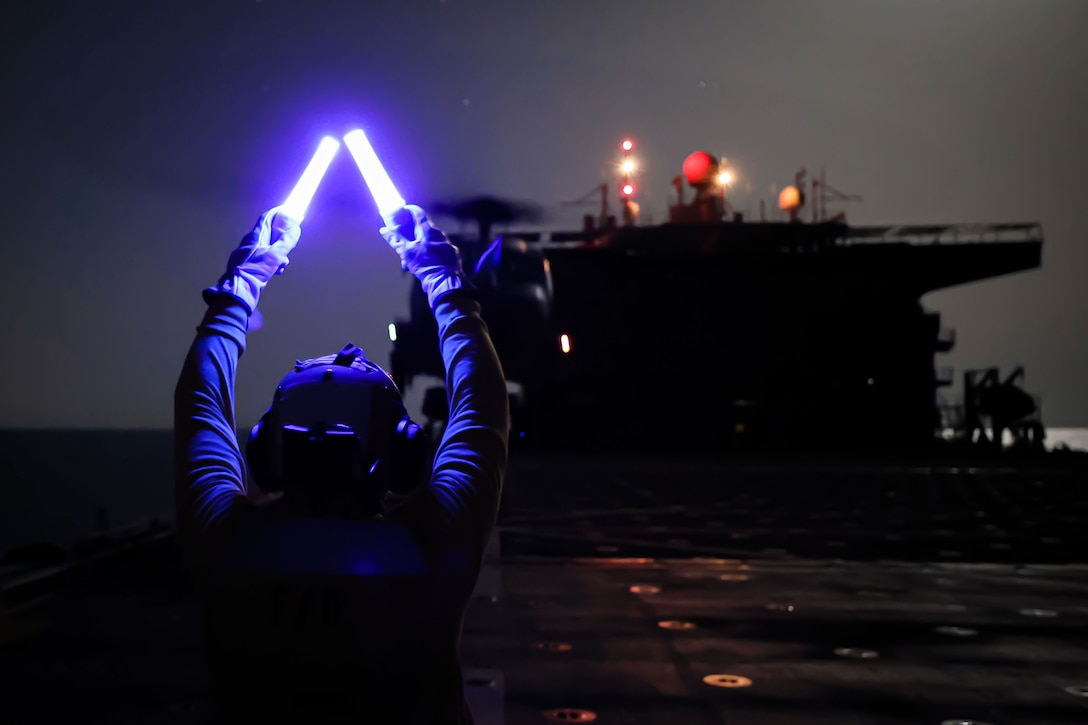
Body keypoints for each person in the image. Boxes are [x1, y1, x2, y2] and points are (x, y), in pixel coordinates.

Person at [174, 204, 509, 723]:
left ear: (266, 447)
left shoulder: (229, 539)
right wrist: (447, 283)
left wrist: (241, 281)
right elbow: (483, 409)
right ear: (403, 452)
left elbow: (200, 405)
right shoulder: (433, 544)